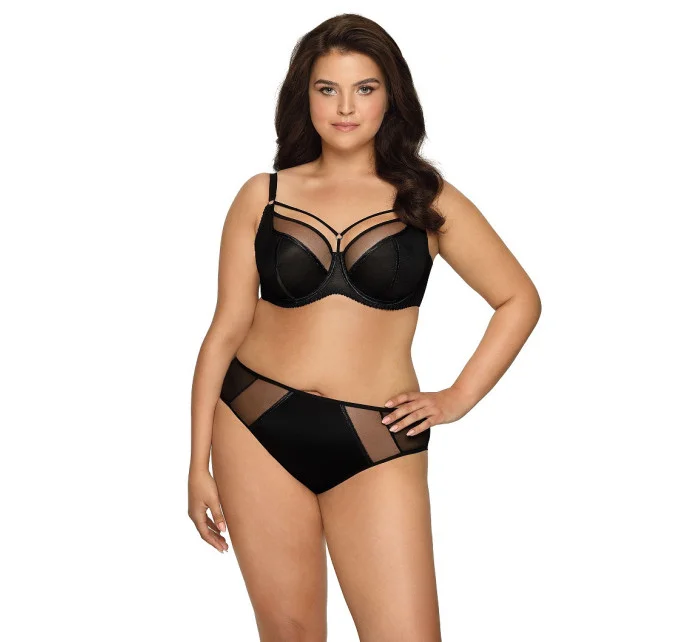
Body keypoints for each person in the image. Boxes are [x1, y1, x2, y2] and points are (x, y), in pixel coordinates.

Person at [188, 13, 541, 642]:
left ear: (390, 96)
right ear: (305, 97)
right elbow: (224, 331)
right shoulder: (262, 195)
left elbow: (518, 299)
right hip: (254, 421)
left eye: (365, 88)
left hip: (378, 438)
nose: (345, 107)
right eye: (328, 89)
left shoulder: (427, 199)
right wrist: (197, 464)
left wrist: (457, 398)